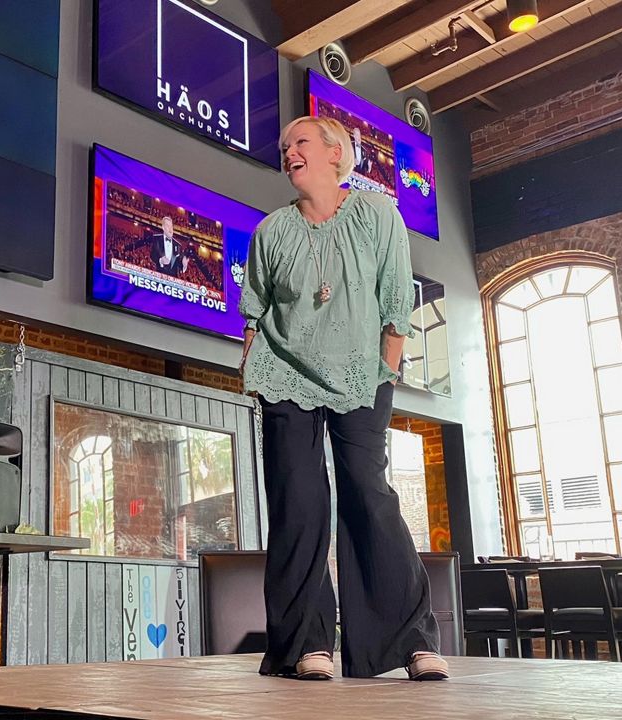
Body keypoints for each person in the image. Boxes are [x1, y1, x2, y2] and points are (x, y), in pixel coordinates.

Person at [238, 115, 447, 682]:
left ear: (336, 153)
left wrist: (388, 363)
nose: (288, 153)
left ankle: (407, 642)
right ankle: (308, 644)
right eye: (284, 147)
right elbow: (254, 310)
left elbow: (395, 293)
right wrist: (251, 362)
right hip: (285, 376)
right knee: (298, 504)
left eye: (299, 142)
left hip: (361, 375)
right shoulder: (270, 232)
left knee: (367, 493)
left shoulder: (379, 215)